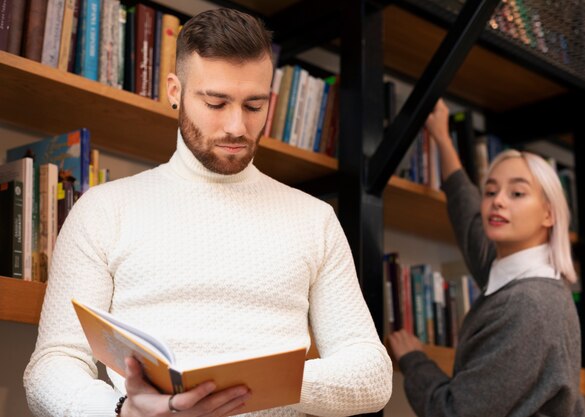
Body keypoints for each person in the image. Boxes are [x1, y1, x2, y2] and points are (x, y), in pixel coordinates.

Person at [24, 8, 392, 417]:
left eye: (254, 106)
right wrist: (121, 412)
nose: (236, 126)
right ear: (174, 90)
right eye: (216, 102)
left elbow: (372, 374)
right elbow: (52, 363)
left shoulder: (315, 219)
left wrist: (261, 383)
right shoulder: (103, 210)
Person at [389, 99, 585, 417]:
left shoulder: (527, 304)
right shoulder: (516, 278)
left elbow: (455, 413)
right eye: (491, 191)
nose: (498, 202)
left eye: (517, 193)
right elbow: (469, 218)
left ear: (549, 213)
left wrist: (415, 361)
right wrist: (441, 136)